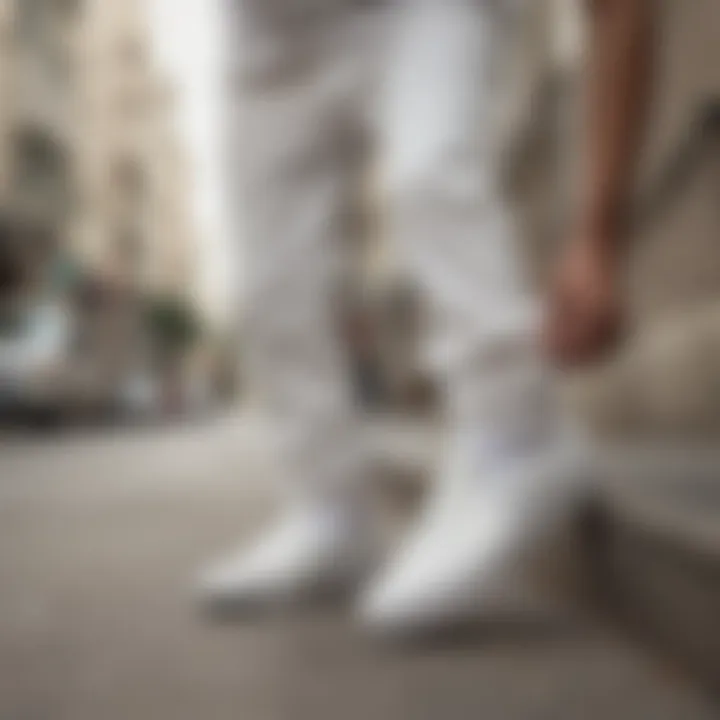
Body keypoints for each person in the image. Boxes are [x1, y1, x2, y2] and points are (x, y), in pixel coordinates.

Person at [198, 0, 655, 634]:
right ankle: (328, 512)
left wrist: (598, 237)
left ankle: (516, 436)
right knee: (270, 282)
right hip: (269, 28)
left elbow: (620, 12)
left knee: (430, 172)